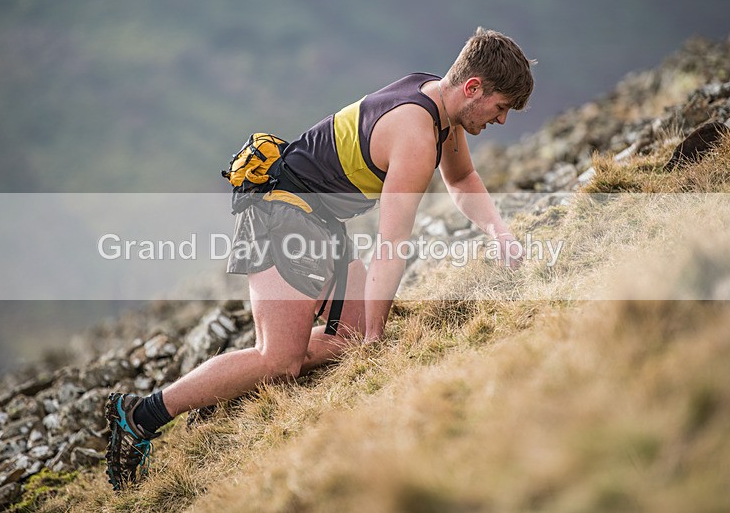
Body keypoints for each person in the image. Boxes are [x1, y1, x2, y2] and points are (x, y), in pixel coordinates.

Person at [104, 27, 534, 491]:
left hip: (320, 222)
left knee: (344, 339)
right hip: (280, 212)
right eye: (501, 107)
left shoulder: (438, 103)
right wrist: (378, 339)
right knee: (280, 361)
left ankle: (225, 388)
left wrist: (500, 232)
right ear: (473, 88)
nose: (502, 120)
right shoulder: (415, 134)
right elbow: (391, 245)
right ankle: (139, 415)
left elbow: (463, 177)